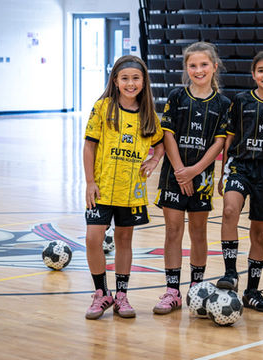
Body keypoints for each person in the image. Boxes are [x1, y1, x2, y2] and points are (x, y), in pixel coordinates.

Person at [152, 42, 230, 315]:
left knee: (198, 233)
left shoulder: (223, 104)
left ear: (214, 66)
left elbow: (219, 143)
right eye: (193, 65)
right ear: (186, 68)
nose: (199, 70)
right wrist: (179, 170)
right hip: (174, 175)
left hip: (202, 177)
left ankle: (196, 288)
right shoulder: (176, 96)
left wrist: (194, 171)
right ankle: (172, 290)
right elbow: (168, 134)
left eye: (204, 65)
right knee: (173, 231)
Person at [83, 55, 164, 320]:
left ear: (144, 81)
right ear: (115, 81)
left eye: (136, 78)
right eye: (125, 78)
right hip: (102, 188)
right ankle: (100, 293)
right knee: (93, 239)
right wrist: (89, 182)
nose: (130, 83)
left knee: (124, 240)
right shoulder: (104, 107)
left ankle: (121, 295)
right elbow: (89, 145)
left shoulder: (148, 113)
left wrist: (153, 159)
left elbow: (161, 142)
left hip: (131, 192)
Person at [216, 50, 263, 312]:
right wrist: (221, 172)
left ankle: (252, 291)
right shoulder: (240, 101)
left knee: (259, 232)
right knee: (229, 211)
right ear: (253, 74)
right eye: (261, 70)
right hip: (239, 165)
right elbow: (228, 136)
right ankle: (229, 274)